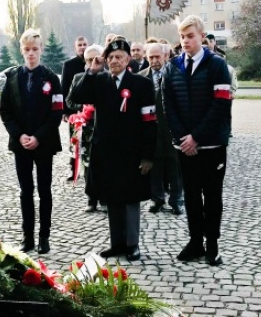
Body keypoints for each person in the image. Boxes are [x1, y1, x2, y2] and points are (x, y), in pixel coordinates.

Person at [70, 36, 156, 262]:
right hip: (106, 152)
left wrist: (148, 155)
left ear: (128, 59)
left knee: (130, 200)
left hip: (132, 152)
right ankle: (116, 243)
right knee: (112, 197)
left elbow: (149, 121)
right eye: (110, 57)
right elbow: (75, 97)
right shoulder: (98, 81)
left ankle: (132, 244)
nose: (115, 61)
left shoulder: (142, 84)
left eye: (119, 57)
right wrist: (91, 70)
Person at [162, 16, 232, 266]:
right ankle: (195, 242)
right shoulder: (172, 67)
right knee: (191, 195)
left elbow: (221, 104)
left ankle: (212, 244)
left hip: (211, 145)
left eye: (190, 36)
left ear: (202, 36)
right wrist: (184, 138)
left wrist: (197, 137)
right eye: (182, 37)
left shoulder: (217, 65)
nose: (186, 41)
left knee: (212, 196)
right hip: (184, 146)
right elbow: (167, 105)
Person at [0, 29, 64, 254]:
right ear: (21, 51)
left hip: (44, 143)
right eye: (27, 50)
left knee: (44, 190)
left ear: (41, 49)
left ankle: (44, 236)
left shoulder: (51, 78)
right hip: (21, 143)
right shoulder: (13, 77)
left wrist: (38, 136)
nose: (31, 54)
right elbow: (5, 110)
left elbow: (56, 112)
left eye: (35, 49)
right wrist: (19, 135)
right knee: (26, 190)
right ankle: (27, 237)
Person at [139, 43, 183, 215]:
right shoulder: (141, 77)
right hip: (150, 129)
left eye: (158, 57)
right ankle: (156, 199)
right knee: (154, 165)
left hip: (172, 128)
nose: (154, 61)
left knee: (174, 166)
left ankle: (176, 200)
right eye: (151, 57)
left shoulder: (175, 74)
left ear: (166, 56)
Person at [66, 44, 104, 213]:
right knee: (88, 164)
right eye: (89, 60)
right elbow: (69, 100)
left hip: (104, 126)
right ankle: (91, 199)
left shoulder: (108, 77)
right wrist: (84, 107)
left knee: (104, 164)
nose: (92, 62)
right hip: (87, 127)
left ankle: (105, 198)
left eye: (96, 59)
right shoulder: (78, 78)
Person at [62, 36, 90, 179]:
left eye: (85, 44)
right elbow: (64, 88)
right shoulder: (69, 65)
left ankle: (89, 170)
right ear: (75, 47)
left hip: (91, 111)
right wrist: (65, 112)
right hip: (75, 111)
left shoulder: (94, 62)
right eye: (80, 45)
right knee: (75, 140)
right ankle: (74, 170)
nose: (82, 47)